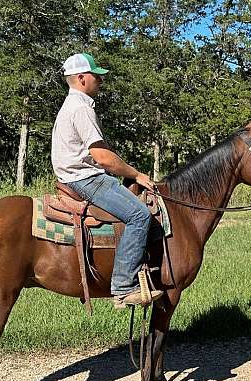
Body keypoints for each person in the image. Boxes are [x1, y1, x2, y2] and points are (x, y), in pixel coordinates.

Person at [51, 52, 163, 307]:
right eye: (96, 76)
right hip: (85, 179)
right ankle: (124, 286)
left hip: (74, 176)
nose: (100, 81)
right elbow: (102, 158)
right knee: (139, 216)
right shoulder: (81, 108)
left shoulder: (73, 105)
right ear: (81, 78)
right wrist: (136, 174)